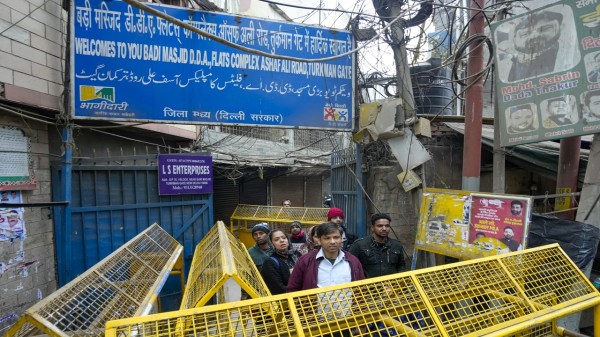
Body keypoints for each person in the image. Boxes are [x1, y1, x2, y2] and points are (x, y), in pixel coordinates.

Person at [287, 222, 364, 291]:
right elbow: (293, 289)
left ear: (341, 239)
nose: (332, 242)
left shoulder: (353, 261)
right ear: (319, 240)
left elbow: (361, 290)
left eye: (336, 237)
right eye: (327, 238)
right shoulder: (305, 261)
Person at [507, 10, 563, 82]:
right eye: (525, 34)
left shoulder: (564, 55)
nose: (534, 35)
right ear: (514, 39)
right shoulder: (514, 63)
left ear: (561, 27)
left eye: (545, 29)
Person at [349, 213, 406, 278]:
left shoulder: (396, 245)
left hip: (391, 286)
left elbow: (401, 266)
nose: (384, 229)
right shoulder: (359, 245)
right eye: (380, 226)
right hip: (368, 286)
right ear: (372, 228)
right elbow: (350, 266)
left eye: (387, 226)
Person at [260, 229, 302, 295]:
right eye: (276, 239)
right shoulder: (270, 262)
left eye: (284, 238)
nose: (282, 240)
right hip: (288, 299)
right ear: (271, 243)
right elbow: (277, 288)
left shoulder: (296, 254)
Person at [242, 222, 274, 300]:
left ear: (267, 234)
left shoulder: (275, 249)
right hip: (259, 290)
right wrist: (244, 293)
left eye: (261, 233)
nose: (258, 236)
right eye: (255, 234)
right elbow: (247, 274)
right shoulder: (250, 252)